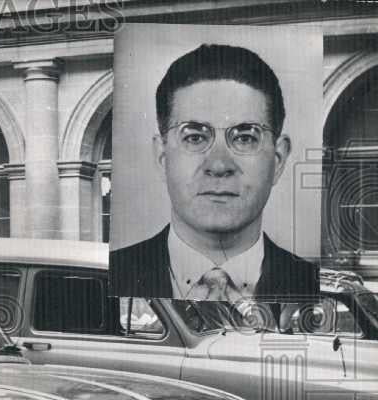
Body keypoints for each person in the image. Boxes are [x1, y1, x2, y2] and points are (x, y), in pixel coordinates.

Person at [110, 43, 319, 301]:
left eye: (245, 138)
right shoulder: (111, 274)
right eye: (195, 137)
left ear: (278, 159)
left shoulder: (314, 286)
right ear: (162, 156)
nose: (219, 166)